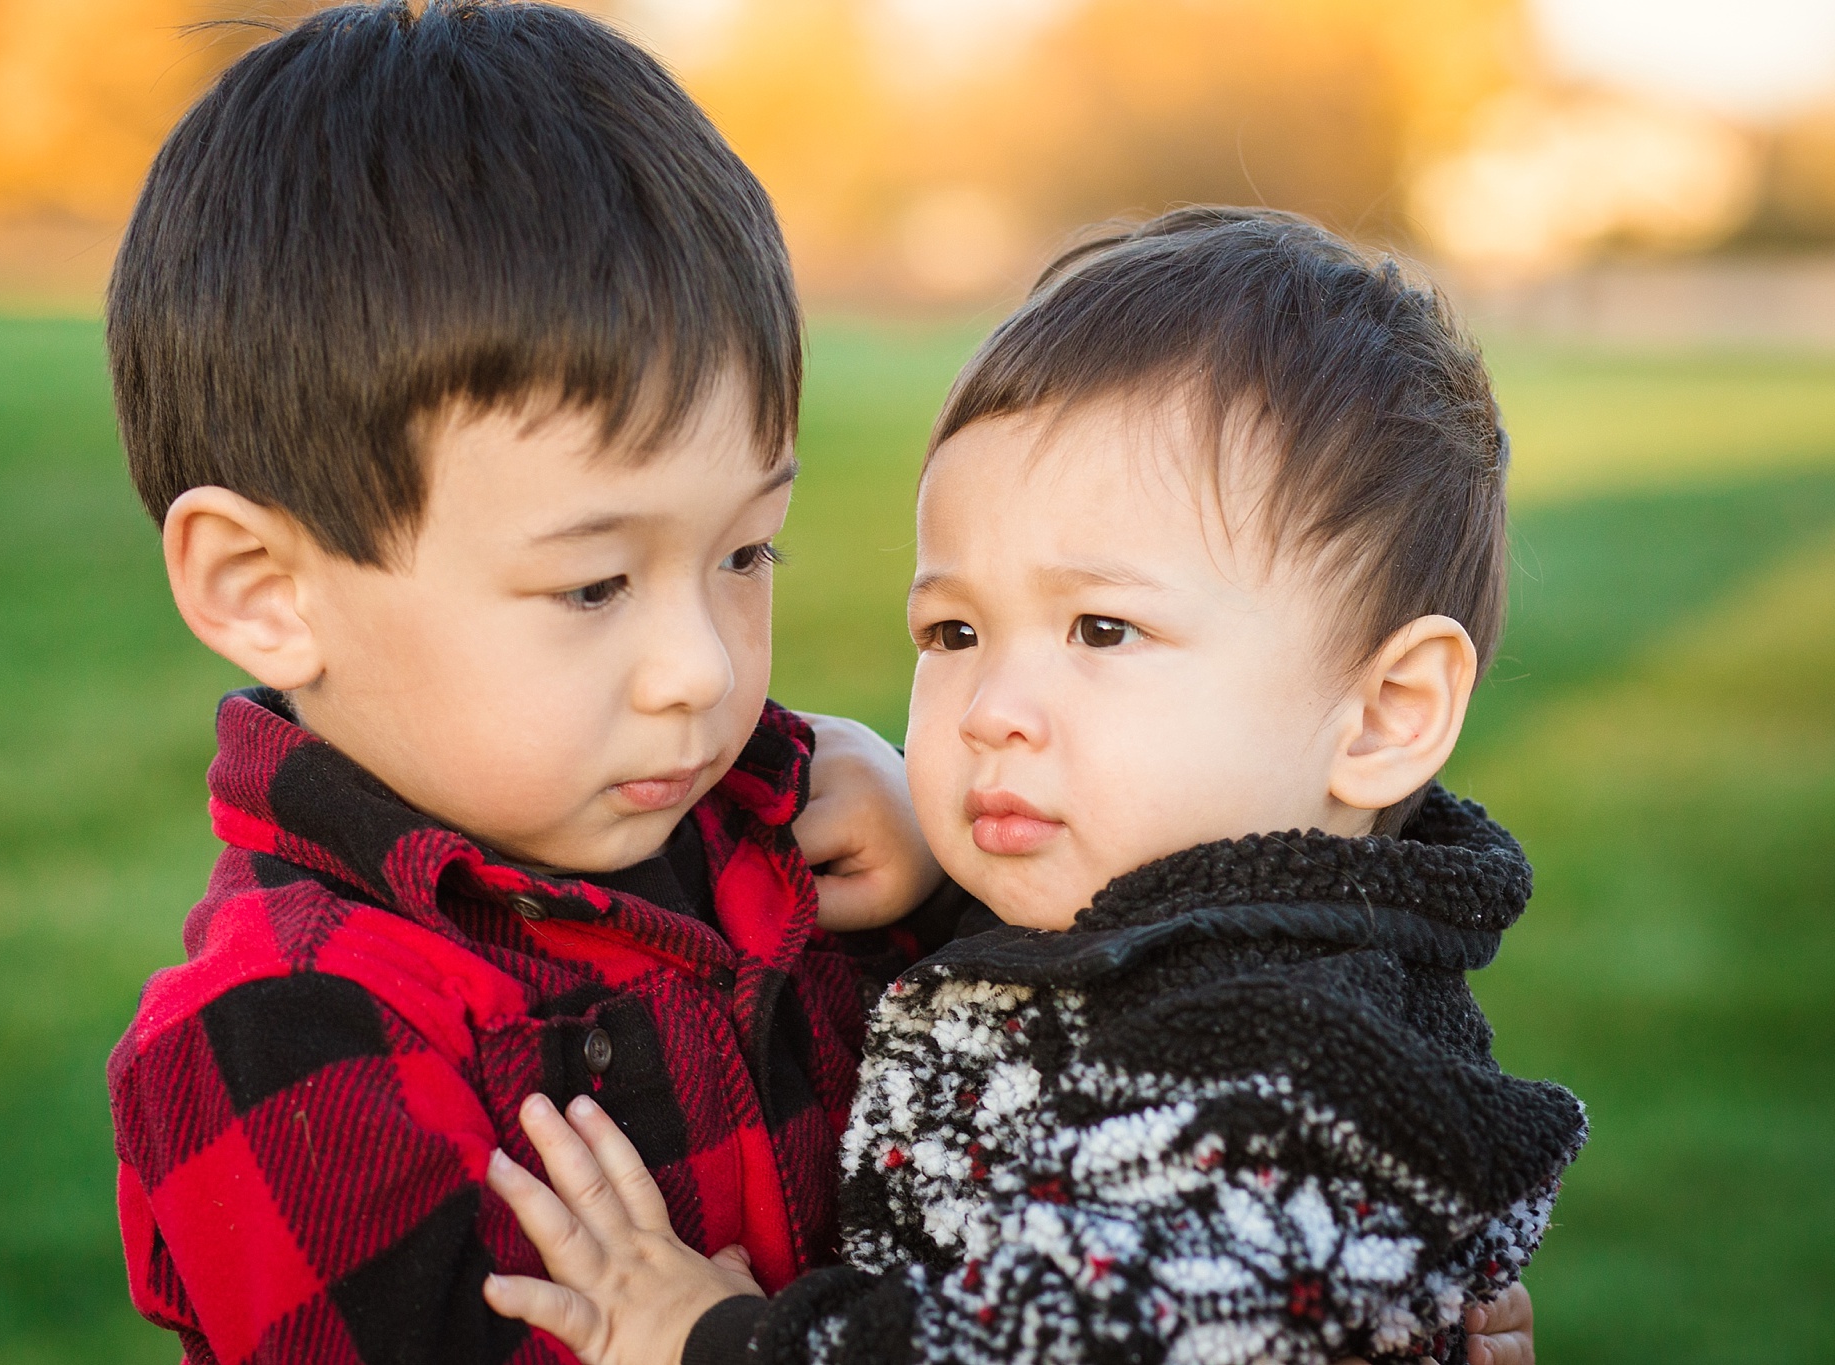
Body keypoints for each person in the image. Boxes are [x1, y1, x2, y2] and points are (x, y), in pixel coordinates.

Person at [479, 209, 1586, 1365]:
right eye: (952, 629)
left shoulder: (1297, 1073)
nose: (987, 708)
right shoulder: (1207, 943)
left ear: (1383, 714)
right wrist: (934, 855)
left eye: (1100, 629)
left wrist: (714, 1341)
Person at [101, 5, 955, 1362]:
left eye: (747, 549)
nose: (704, 667)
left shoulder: (799, 833)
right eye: (594, 586)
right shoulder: (281, 1048)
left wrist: (954, 861)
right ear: (266, 587)